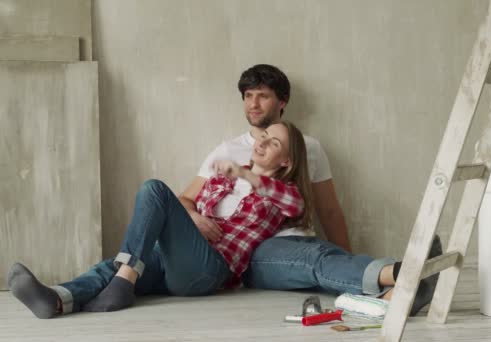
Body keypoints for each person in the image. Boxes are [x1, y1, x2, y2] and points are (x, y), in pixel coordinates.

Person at [183, 64, 442, 311]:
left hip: (301, 238)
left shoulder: (308, 147)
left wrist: (346, 256)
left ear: (282, 102)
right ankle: (406, 274)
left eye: (263, 96)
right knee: (312, 262)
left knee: (321, 258)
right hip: (253, 250)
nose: (253, 103)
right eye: (248, 95)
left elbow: (329, 211)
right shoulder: (226, 151)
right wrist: (194, 218)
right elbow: (186, 199)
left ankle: (395, 296)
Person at [8, 121, 312, 318]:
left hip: (208, 270)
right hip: (176, 259)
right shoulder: (223, 179)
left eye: (273, 143)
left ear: (286, 160)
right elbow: (184, 208)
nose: (261, 142)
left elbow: (295, 203)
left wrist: (245, 173)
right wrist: (192, 217)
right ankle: (57, 299)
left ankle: (123, 284)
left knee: (153, 189)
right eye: (264, 136)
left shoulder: (282, 195)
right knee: (112, 266)